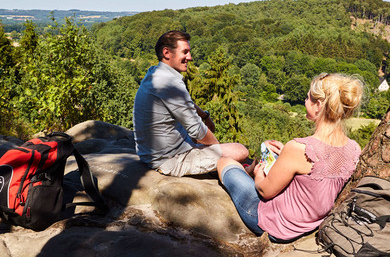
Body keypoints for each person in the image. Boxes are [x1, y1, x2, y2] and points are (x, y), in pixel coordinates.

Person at [217, 73, 363, 242]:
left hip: (276, 225)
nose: (304, 101)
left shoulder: (299, 148)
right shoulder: (354, 149)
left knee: (224, 162)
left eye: (308, 98)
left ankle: (245, 171)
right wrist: (285, 154)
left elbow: (265, 191)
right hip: (310, 224)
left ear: (318, 105)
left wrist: (258, 175)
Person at [133, 30, 249, 177]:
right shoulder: (170, 83)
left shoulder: (155, 73)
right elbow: (197, 131)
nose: (190, 57)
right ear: (167, 53)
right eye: (185, 52)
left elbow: (185, 105)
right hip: (169, 160)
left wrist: (204, 116)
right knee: (240, 150)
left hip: (154, 153)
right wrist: (220, 152)